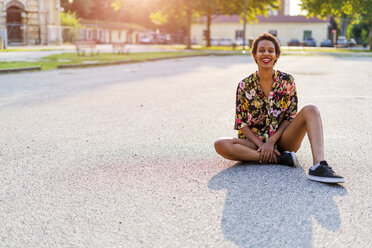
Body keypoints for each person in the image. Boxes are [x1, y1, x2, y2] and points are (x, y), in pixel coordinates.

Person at [214, 33, 345, 184]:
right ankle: (279, 158)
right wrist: (261, 145)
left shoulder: (287, 81)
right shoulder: (244, 85)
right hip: (254, 143)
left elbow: (290, 116)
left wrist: (271, 141)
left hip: (283, 140)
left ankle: (319, 165)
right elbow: (241, 122)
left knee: (311, 109)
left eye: (270, 50)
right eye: (261, 50)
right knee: (220, 144)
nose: (266, 54)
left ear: (277, 56)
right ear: (254, 54)